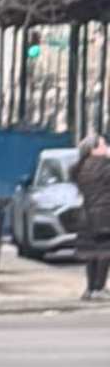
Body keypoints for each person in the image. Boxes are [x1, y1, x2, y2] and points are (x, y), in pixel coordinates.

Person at [74, 127, 110, 299]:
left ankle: (90, 288)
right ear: (94, 149)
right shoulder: (104, 166)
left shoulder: (81, 167)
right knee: (104, 252)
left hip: (87, 215)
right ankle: (99, 288)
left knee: (91, 254)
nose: (107, 147)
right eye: (103, 145)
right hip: (105, 215)